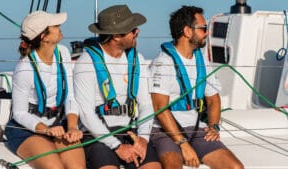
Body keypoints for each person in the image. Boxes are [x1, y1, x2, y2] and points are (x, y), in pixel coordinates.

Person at [149, 5, 244, 169]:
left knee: (235, 167)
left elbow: (213, 99)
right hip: (165, 131)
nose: (207, 33)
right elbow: (159, 108)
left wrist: (213, 126)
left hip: (195, 128)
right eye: (203, 28)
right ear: (187, 31)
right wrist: (183, 144)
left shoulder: (201, 60)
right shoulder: (163, 63)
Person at [73, 5, 161, 169]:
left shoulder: (137, 59)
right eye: (133, 30)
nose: (138, 32)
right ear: (116, 36)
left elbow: (146, 104)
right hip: (98, 135)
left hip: (130, 131)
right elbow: (86, 114)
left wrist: (142, 139)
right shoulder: (86, 63)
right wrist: (117, 146)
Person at [4, 11, 86, 169]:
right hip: (26, 129)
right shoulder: (24, 69)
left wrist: (72, 127)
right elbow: (19, 113)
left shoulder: (63, 52)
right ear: (44, 37)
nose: (60, 26)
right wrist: (46, 130)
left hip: (58, 124)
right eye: (55, 26)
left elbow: (70, 95)